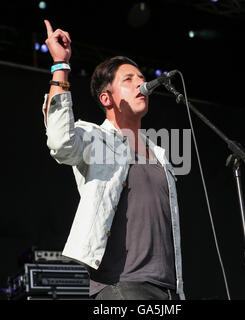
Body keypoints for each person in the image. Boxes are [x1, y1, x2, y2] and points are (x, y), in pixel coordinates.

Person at [42, 20, 185, 300]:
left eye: (141, 78)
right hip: (122, 285)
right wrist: (60, 64)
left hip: (168, 288)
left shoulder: (161, 153)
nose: (141, 83)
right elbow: (60, 141)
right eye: (129, 79)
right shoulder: (95, 138)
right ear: (107, 98)